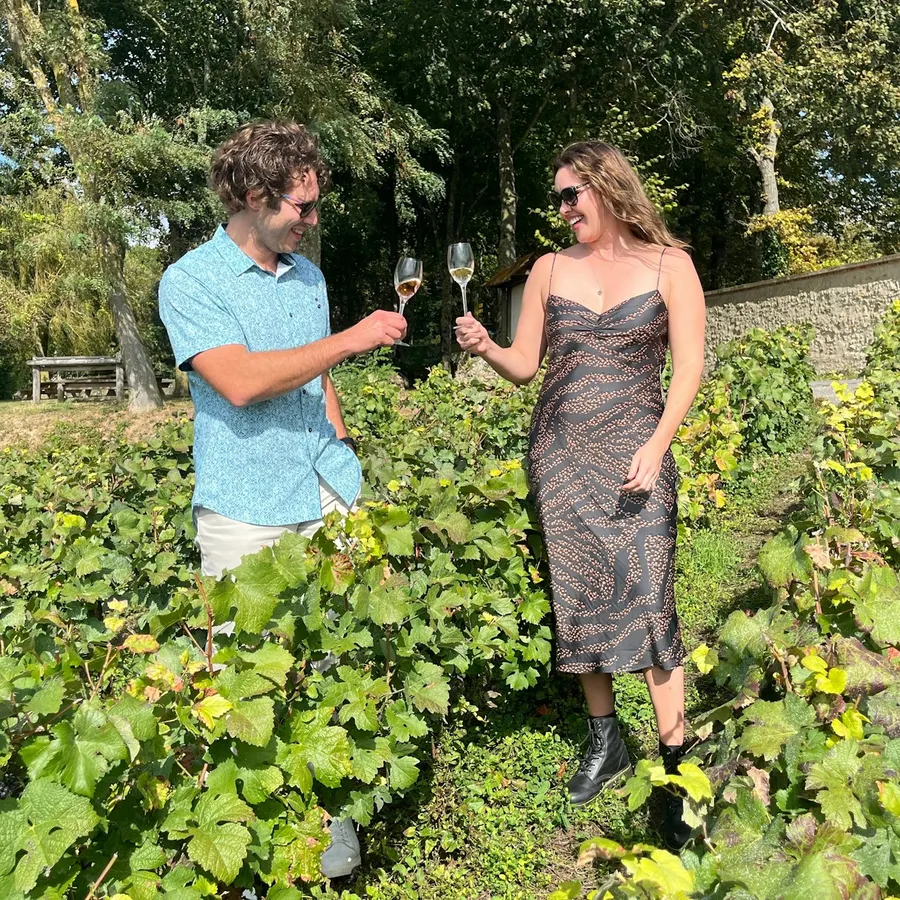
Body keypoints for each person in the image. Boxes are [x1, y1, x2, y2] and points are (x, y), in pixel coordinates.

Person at [159, 119, 407, 879]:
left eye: (315, 204)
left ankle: (324, 821)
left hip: (326, 489)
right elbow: (239, 383)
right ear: (251, 195)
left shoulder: (309, 277)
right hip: (244, 504)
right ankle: (251, 849)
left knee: (331, 656)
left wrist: (346, 455)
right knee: (243, 677)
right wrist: (356, 338)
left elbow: (317, 380)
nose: (312, 219)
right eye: (300, 207)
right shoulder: (189, 281)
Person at [455, 141, 705, 849]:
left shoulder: (670, 266)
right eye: (558, 198)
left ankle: (676, 767)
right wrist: (485, 347)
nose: (563, 210)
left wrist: (656, 447)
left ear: (607, 187)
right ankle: (606, 741)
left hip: (637, 460)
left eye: (572, 195)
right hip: (560, 459)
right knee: (581, 594)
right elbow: (525, 367)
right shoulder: (548, 270)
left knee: (650, 599)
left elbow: (687, 370)